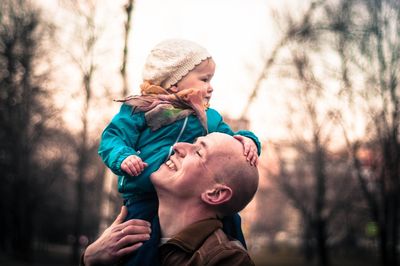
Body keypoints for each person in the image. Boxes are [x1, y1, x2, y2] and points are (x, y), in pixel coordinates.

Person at [98, 39, 261, 264]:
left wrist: (249, 141)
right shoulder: (142, 108)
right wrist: (123, 157)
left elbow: (229, 141)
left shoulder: (207, 117)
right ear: (174, 82)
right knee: (139, 248)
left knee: (231, 219)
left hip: (187, 197)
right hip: (143, 194)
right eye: (205, 79)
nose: (211, 87)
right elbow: (112, 137)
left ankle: (235, 256)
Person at [83, 132, 259, 266]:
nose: (178, 146)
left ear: (215, 193)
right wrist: (90, 258)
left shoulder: (226, 260)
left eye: (198, 152)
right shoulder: (122, 242)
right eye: (193, 142)